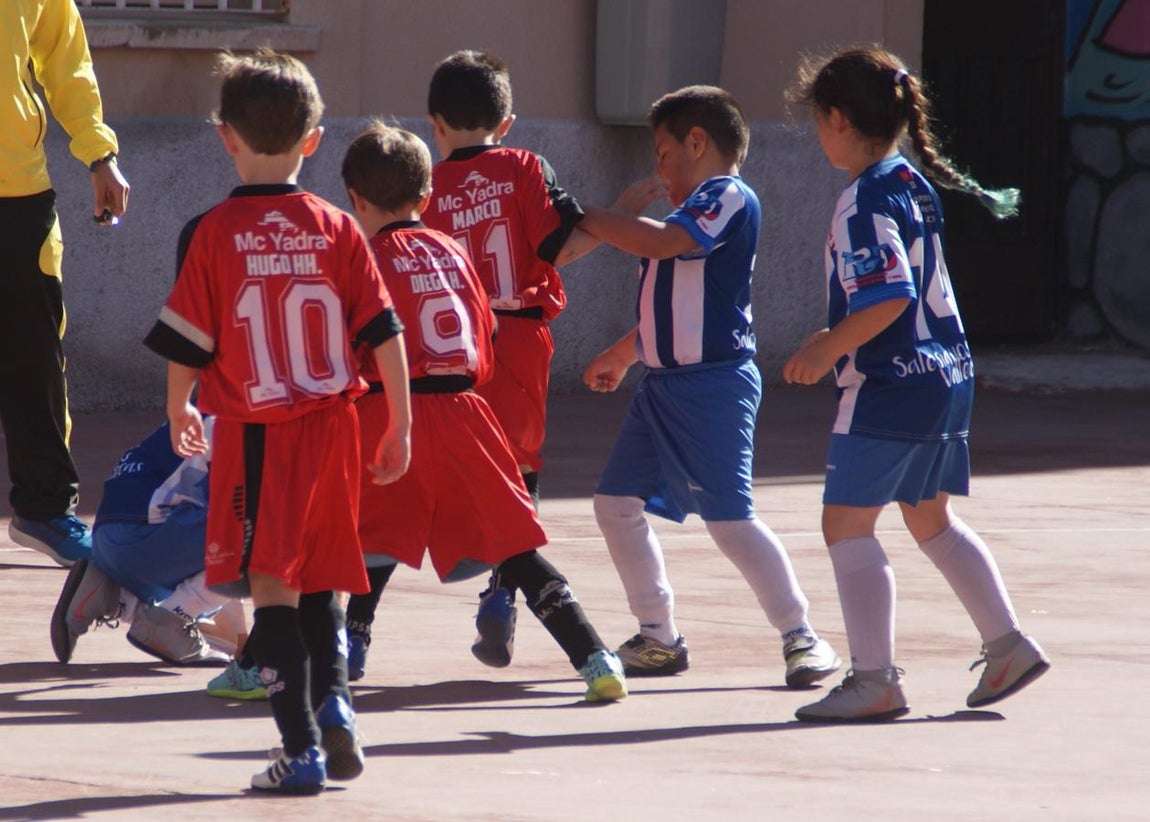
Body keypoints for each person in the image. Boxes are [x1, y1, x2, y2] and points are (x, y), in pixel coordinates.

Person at [143, 50, 411, 794]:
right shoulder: (339, 227)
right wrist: (402, 424)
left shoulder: (214, 232)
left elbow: (189, 341)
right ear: (314, 139)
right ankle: (338, 708)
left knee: (271, 590)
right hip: (335, 431)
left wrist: (178, 405)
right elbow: (384, 332)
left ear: (225, 136)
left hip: (258, 434)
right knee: (322, 585)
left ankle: (301, 750)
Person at [782, 47, 1049, 722]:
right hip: (945, 375)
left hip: (891, 384)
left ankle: (875, 679)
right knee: (931, 519)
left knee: (845, 524)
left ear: (837, 119)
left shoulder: (862, 199)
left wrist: (827, 348)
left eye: (817, 121)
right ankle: (1008, 645)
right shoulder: (909, 181)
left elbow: (890, 295)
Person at [339, 122, 626, 703]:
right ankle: (595, 658)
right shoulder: (454, 250)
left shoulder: (363, 261)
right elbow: (487, 330)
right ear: (427, 197)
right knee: (514, 547)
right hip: (467, 412)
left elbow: (353, 344)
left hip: (392, 409)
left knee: (372, 538)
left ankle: (350, 647)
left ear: (355, 199)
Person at [578, 85, 842, 690]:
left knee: (729, 518)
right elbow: (673, 303)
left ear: (698, 142)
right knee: (615, 504)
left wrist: (579, 213)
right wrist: (623, 353)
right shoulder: (689, 211)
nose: (661, 169)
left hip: (714, 386)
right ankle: (658, 637)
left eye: (664, 153)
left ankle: (802, 635)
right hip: (662, 387)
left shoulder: (726, 195)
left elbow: (661, 244)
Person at [411, 49, 615, 667]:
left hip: (452, 347)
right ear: (506, 122)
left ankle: (360, 628)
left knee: (453, 472)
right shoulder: (525, 165)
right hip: (519, 337)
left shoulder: (426, 186)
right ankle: (503, 592)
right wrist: (621, 218)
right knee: (518, 469)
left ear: (435, 124)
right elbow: (559, 246)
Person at [2, 0, 130, 568]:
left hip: (18, 190)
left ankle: (45, 509)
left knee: (35, 358)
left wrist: (100, 155)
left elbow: (65, 57)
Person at [50, 416, 241, 669]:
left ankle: (114, 595)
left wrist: (241, 641)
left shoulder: (211, 409)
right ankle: (168, 621)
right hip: (145, 538)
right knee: (275, 536)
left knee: (220, 633)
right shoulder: (246, 421)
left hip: (112, 537)